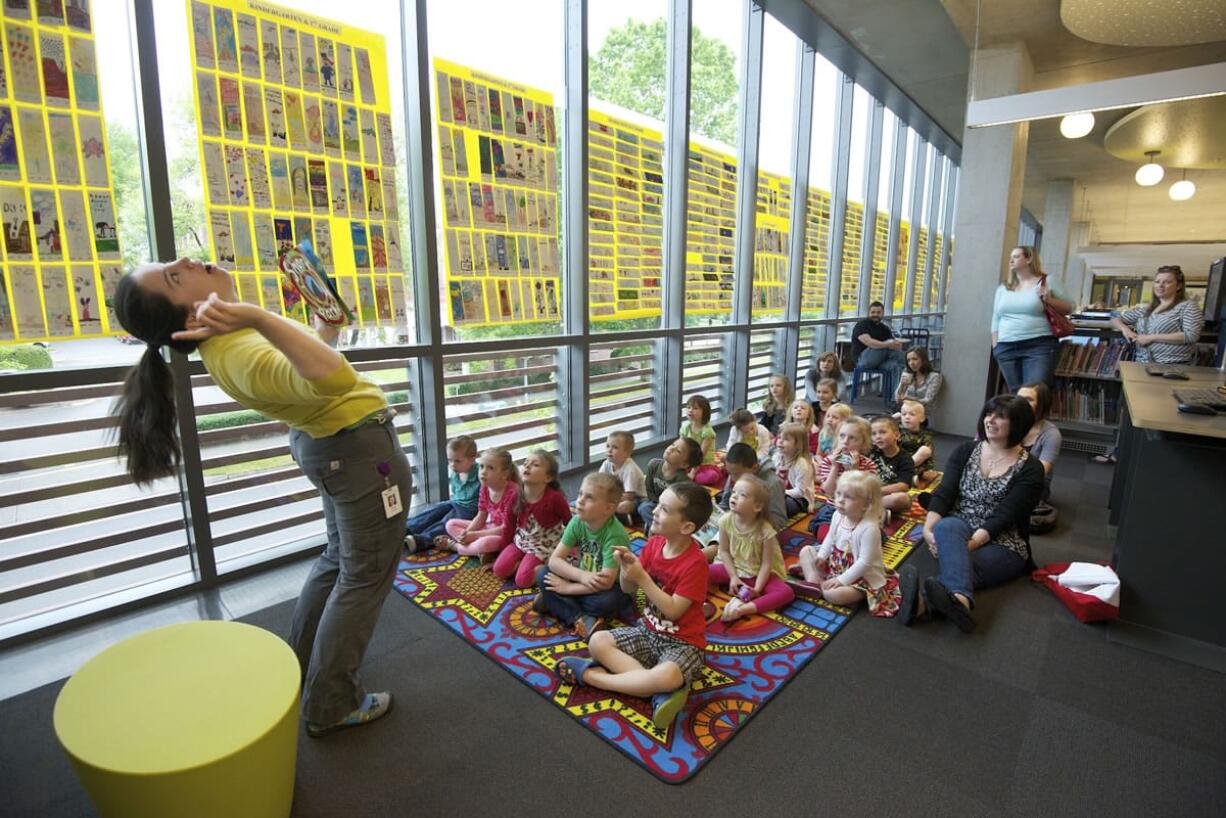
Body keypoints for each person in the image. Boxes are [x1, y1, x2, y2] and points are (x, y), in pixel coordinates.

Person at [110, 257, 410, 737]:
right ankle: (331, 703)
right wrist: (257, 315)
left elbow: (306, 377)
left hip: (335, 446)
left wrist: (319, 330)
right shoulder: (239, 347)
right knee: (365, 576)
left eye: (172, 262)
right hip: (355, 454)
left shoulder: (234, 344)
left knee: (341, 561)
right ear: (192, 318)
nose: (186, 261)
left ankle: (300, 665)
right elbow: (337, 381)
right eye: (173, 276)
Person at [556, 484, 715, 729]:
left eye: (665, 509)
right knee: (597, 642)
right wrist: (627, 569)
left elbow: (673, 610)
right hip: (647, 631)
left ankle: (592, 677)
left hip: (683, 642)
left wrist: (641, 577)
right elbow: (629, 589)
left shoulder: (695, 564)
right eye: (659, 504)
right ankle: (653, 691)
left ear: (686, 527)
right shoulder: (654, 544)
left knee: (668, 676)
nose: (655, 511)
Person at [898, 396, 1044, 633]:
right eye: (988, 414)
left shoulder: (1031, 468)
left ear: (1018, 424)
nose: (990, 420)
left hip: (1004, 543)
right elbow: (945, 493)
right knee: (946, 527)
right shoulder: (967, 450)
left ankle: (923, 605)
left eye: (1000, 417)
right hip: (957, 530)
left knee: (961, 566)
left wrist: (967, 546)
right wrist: (928, 529)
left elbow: (1005, 515)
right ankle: (961, 601)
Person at [1097, 265, 1205, 464]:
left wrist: (1153, 336)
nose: (1160, 286)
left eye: (1167, 281)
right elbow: (1114, 317)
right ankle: (1122, 454)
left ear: (1179, 285)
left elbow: (1191, 335)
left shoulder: (1187, 307)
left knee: (1160, 416)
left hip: (1172, 370)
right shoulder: (1148, 308)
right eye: (1157, 281)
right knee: (1130, 412)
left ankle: (1152, 461)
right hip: (1142, 368)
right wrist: (1125, 330)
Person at [535, 473, 632, 639]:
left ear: (608, 508)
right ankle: (580, 617)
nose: (579, 500)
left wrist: (568, 589)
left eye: (589, 498)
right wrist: (581, 575)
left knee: (606, 603)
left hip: (608, 588)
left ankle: (557, 603)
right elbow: (555, 560)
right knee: (542, 574)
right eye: (580, 494)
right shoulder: (578, 521)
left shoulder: (615, 535)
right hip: (584, 579)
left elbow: (605, 583)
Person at [794, 471, 900, 617]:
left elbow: (865, 562)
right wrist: (822, 556)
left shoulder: (869, 528)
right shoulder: (838, 515)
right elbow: (831, 537)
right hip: (836, 564)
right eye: (838, 494)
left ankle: (858, 595)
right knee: (806, 551)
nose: (840, 500)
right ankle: (814, 583)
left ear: (866, 505)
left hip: (860, 576)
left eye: (848, 497)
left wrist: (841, 580)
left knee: (834, 595)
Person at [990, 245, 1074, 391]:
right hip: (1006, 347)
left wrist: (1049, 299)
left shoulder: (1048, 281)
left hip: (1039, 346)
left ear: (1029, 259)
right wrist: (996, 346)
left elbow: (1070, 307)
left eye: (1016, 256)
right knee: (1016, 396)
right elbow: (996, 318)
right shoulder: (1003, 287)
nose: (1011, 260)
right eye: (1011, 257)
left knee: (1034, 394)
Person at [712, 475, 794, 622]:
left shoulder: (765, 530)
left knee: (786, 593)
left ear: (757, 506)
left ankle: (742, 609)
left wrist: (757, 589)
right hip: (734, 569)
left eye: (742, 494)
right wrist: (733, 577)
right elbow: (724, 551)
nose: (734, 496)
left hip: (758, 575)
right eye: (734, 492)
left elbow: (766, 564)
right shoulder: (725, 521)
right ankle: (689, 598)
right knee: (700, 570)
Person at [491, 450, 571, 588]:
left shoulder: (555, 498)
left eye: (535, 465)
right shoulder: (517, 495)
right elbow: (509, 526)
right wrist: (501, 552)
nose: (527, 466)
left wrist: (568, 550)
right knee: (499, 570)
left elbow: (570, 523)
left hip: (543, 546)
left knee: (522, 581)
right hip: (521, 541)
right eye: (526, 463)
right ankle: (524, 563)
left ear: (548, 477)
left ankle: (547, 567)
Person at [404, 435, 479, 554]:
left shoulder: (480, 474)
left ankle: (423, 539)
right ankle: (408, 528)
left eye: (458, 461)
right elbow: (455, 494)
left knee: (447, 521)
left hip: (470, 510)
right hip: (455, 502)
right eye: (450, 460)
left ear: (472, 459)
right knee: (436, 509)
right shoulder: (456, 472)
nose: (453, 464)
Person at [441, 447, 520, 559]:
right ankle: (478, 551)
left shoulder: (513, 493)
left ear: (505, 474)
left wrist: (474, 535)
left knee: (485, 543)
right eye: (482, 466)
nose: (483, 472)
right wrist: (467, 534)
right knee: (451, 524)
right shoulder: (485, 487)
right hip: (488, 527)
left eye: (490, 468)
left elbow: (505, 528)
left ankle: (455, 547)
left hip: (506, 535)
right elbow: (481, 516)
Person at [716, 442, 788, 533]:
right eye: (730, 473)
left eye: (738, 474)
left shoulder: (772, 483)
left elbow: (780, 521)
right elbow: (725, 503)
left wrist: (748, 522)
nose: (734, 479)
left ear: (754, 468)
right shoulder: (735, 472)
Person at [639, 436, 701, 537]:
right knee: (643, 506)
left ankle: (659, 530)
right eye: (673, 445)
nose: (671, 448)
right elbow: (648, 489)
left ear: (684, 464)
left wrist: (665, 509)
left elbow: (682, 505)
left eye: (678, 450)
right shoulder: (653, 464)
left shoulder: (683, 481)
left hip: (670, 510)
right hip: (654, 503)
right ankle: (657, 528)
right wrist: (658, 505)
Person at [1017, 382, 1061, 505]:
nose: (1021, 403)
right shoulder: (1009, 422)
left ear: (1042, 405)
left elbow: (1041, 471)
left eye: (1028, 400)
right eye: (1019, 398)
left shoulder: (1051, 434)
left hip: (1034, 483)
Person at [817, 416, 878, 501]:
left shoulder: (868, 464)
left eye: (852, 438)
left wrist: (854, 470)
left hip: (858, 509)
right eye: (842, 436)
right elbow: (829, 492)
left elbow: (863, 494)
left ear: (863, 443)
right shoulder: (829, 461)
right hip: (833, 505)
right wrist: (835, 467)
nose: (845, 441)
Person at [851, 301, 907, 389]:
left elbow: (894, 346)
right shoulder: (861, 325)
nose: (875, 314)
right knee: (884, 345)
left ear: (882, 313)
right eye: (873, 312)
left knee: (896, 366)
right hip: (863, 361)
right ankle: (910, 365)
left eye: (878, 312)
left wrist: (895, 344)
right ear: (868, 313)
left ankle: (896, 398)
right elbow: (870, 342)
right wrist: (889, 344)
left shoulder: (884, 328)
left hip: (880, 362)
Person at [868, 415, 917, 518]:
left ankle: (868, 509)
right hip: (867, 493)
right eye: (873, 434)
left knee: (903, 499)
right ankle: (876, 511)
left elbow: (903, 486)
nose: (878, 436)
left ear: (897, 435)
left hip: (886, 495)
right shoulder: (871, 452)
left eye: (882, 432)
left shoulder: (905, 459)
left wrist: (877, 491)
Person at [598, 430, 646, 524]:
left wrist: (609, 500)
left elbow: (629, 496)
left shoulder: (630, 469)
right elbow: (598, 481)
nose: (609, 450)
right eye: (608, 446)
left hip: (638, 499)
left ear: (627, 453)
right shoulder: (607, 463)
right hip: (618, 495)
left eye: (615, 447)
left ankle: (631, 518)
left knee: (623, 506)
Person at [773, 421, 816, 518]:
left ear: (798, 444)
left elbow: (799, 491)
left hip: (799, 499)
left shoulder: (802, 464)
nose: (780, 441)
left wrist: (780, 492)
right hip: (779, 494)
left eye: (786, 439)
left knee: (784, 505)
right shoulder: (776, 457)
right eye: (779, 437)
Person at [681, 394, 723, 486]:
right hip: (688, 463)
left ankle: (689, 477)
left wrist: (692, 472)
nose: (690, 410)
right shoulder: (686, 428)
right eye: (688, 407)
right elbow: (680, 447)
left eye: (695, 408)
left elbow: (701, 455)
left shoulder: (707, 431)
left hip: (704, 464)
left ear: (705, 412)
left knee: (712, 476)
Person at [898, 399, 937, 487]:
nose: (907, 417)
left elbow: (928, 452)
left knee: (925, 450)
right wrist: (894, 417)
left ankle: (909, 475)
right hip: (898, 461)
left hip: (917, 464)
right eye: (904, 414)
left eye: (912, 414)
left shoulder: (925, 435)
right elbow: (880, 423)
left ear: (922, 418)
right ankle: (910, 477)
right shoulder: (896, 430)